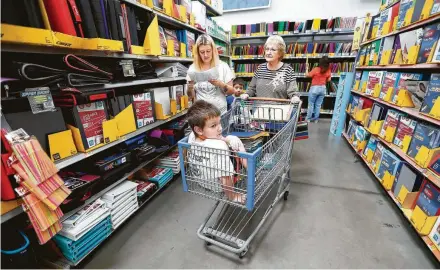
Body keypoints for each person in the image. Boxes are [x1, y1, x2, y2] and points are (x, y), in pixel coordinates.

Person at [186, 100, 246, 203]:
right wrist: (232, 196)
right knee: (236, 141)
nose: (220, 128)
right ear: (199, 130)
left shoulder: (192, 135)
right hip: (219, 186)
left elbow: (218, 138)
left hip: (201, 180)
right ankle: (249, 169)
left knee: (230, 139)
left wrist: (226, 139)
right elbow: (225, 177)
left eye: (219, 123)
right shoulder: (219, 147)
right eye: (213, 126)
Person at [240, 35, 300, 102]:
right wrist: (247, 94)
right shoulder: (260, 68)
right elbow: (251, 88)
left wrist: (295, 97)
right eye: (267, 49)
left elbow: (293, 92)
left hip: (279, 110)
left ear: (280, 53)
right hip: (260, 110)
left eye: (273, 50)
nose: (268, 52)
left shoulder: (287, 70)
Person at [187, 34, 236, 115]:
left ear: (213, 50)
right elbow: (190, 96)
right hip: (201, 114)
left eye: (208, 51)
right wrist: (190, 88)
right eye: (202, 52)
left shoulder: (223, 66)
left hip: (220, 114)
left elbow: (231, 91)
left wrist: (221, 84)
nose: (205, 55)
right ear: (198, 53)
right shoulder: (193, 68)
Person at [305, 56, 331, 123]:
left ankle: (308, 119)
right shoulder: (328, 70)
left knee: (311, 104)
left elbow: (307, 75)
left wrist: (306, 68)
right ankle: (316, 119)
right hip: (323, 89)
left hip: (314, 88)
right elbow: (329, 80)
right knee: (318, 105)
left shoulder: (316, 69)